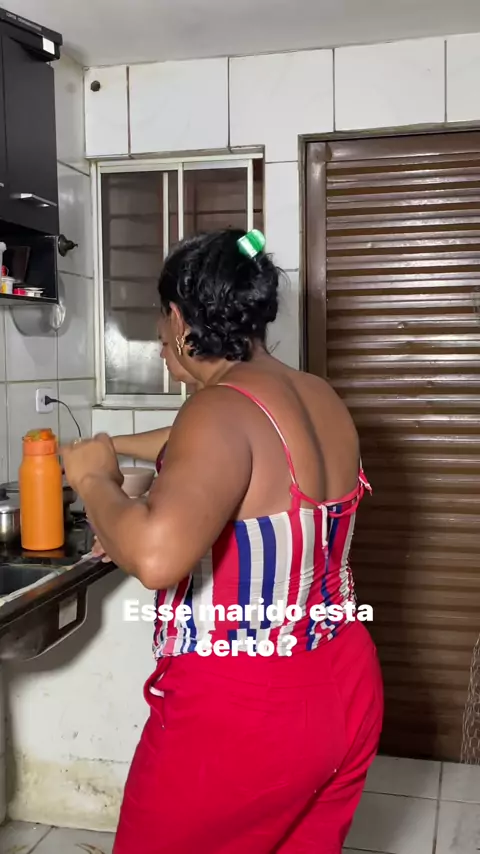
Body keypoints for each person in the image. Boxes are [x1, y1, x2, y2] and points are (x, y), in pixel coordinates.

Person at [62, 228, 383, 854]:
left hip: (249, 710)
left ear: (179, 319)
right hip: (345, 684)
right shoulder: (314, 394)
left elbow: (155, 557)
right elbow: (210, 450)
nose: (160, 342)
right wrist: (112, 446)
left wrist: (95, 481)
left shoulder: (217, 412)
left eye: (161, 325)